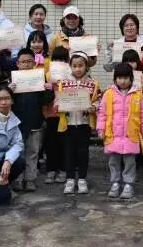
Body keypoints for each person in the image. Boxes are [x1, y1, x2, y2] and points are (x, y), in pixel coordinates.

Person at [97, 63, 143, 200]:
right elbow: (102, 113)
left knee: (130, 162)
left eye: (126, 78)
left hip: (131, 135)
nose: (123, 81)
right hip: (113, 135)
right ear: (115, 79)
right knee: (113, 161)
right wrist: (101, 128)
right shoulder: (108, 94)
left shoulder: (138, 94)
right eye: (120, 78)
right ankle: (115, 183)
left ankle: (128, 184)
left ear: (131, 79)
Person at [10, 46, 54, 192]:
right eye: (23, 62)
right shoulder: (13, 80)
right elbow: (5, 100)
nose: (26, 64)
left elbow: (45, 101)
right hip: (16, 123)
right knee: (17, 152)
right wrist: (9, 90)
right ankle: (17, 179)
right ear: (17, 64)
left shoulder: (39, 78)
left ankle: (30, 179)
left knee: (33, 152)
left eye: (29, 61)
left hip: (35, 122)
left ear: (34, 63)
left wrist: (48, 90)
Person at [55, 51, 100, 194]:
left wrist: (94, 107)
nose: (78, 69)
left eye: (81, 65)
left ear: (86, 66)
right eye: (74, 66)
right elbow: (58, 100)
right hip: (67, 124)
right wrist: (58, 106)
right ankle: (69, 179)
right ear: (70, 66)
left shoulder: (92, 83)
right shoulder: (63, 83)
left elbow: (98, 100)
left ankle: (82, 179)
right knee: (68, 152)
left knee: (82, 152)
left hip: (84, 124)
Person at [43, 46, 70, 184]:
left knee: (63, 144)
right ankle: (51, 170)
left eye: (63, 60)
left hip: (64, 114)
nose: (60, 63)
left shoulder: (71, 74)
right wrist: (47, 86)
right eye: (57, 60)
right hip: (51, 114)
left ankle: (63, 170)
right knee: (51, 143)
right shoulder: (48, 74)